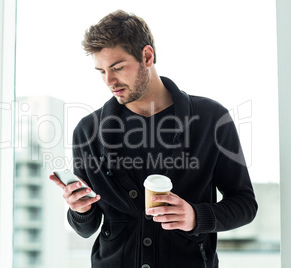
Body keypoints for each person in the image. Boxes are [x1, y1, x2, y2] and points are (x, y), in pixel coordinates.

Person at [50, 9, 257, 268]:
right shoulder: (87, 130)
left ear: (147, 56)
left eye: (117, 67)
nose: (109, 81)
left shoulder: (211, 119)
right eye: (101, 71)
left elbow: (245, 205)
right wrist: (80, 209)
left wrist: (196, 216)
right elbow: (86, 228)